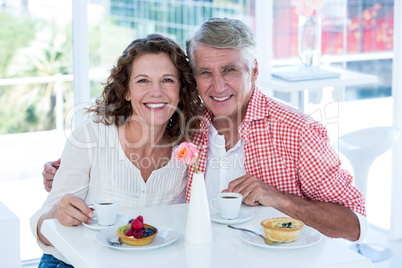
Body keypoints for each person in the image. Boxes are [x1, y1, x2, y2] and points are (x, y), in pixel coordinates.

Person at [42, 18, 367, 242]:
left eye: (230, 70)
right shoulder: (189, 124)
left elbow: (355, 225)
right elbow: (124, 139)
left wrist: (274, 197)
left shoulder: (298, 132)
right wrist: (69, 168)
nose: (218, 85)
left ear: (254, 70)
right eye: (205, 73)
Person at [31, 34, 202, 267]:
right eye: (143, 80)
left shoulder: (188, 149)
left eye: (168, 80)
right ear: (126, 91)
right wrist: (57, 216)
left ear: (180, 90)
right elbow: (40, 227)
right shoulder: (91, 137)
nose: (156, 91)